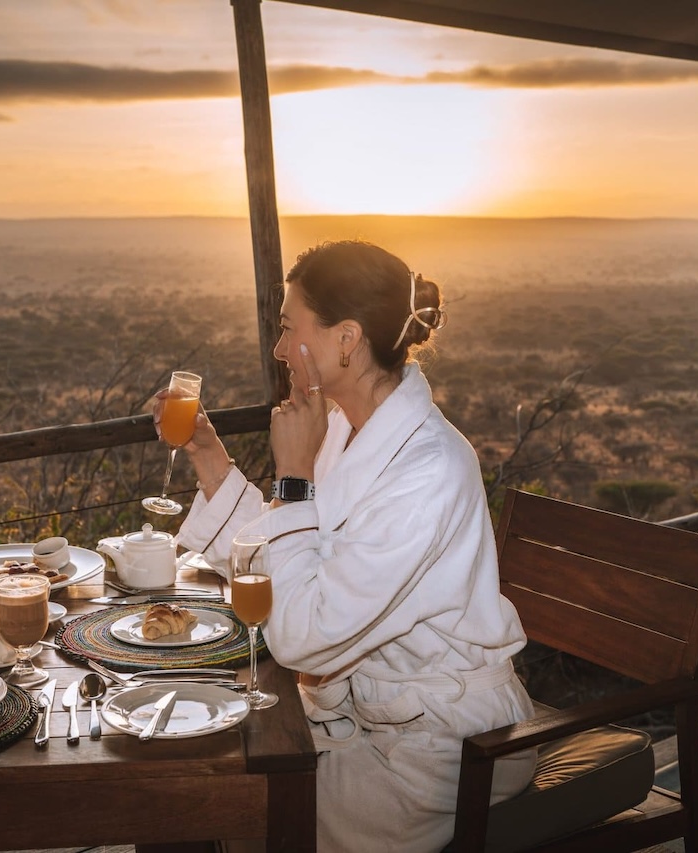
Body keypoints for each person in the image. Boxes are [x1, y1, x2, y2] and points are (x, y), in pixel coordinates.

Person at [160, 240, 537, 852]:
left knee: (213, 806)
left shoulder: (429, 468)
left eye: (288, 329)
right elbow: (292, 554)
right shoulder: (342, 427)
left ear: (346, 338)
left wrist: (292, 480)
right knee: (191, 771)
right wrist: (209, 456)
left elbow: (306, 632)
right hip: (364, 721)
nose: (280, 350)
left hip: (441, 753)